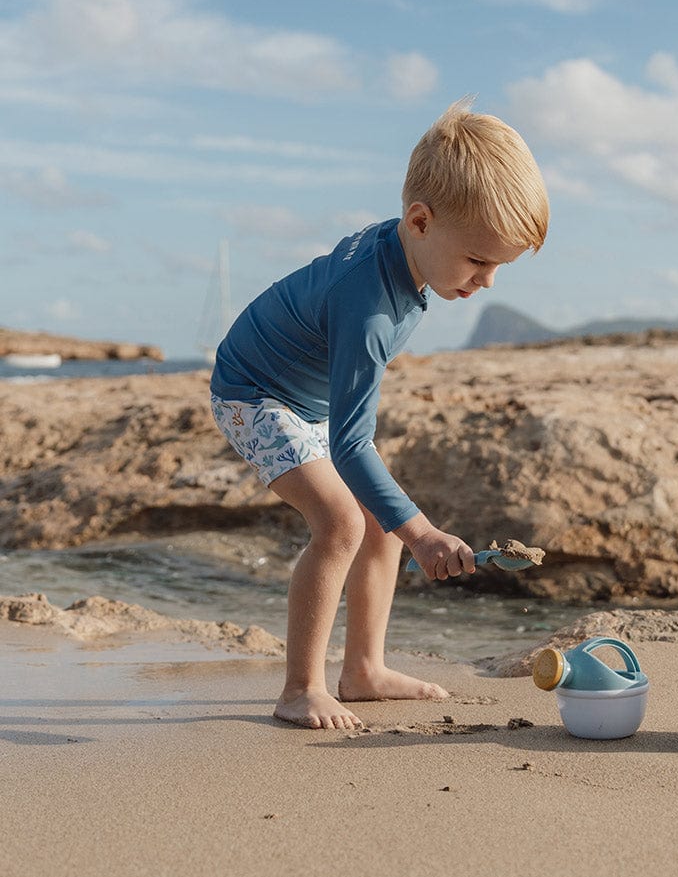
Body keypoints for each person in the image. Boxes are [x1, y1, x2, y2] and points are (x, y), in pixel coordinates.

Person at [209, 98, 549, 729]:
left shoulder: (407, 251)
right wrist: (423, 535)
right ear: (419, 221)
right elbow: (351, 444)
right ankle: (299, 688)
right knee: (341, 522)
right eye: (479, 260)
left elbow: (350, 422)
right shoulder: (369, 306)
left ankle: (363, 669)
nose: (488, 281)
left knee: (380, 516)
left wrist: (402, 522)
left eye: (499, 265)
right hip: (252, 392)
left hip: (304, 397)